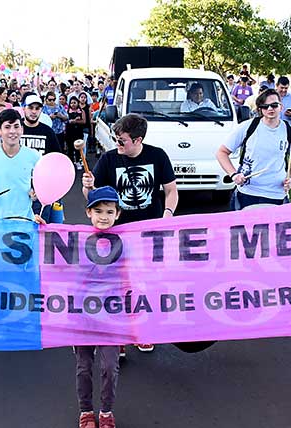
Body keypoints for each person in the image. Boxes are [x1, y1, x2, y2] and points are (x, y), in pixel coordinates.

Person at [82, 113, 178, 354]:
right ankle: (118, 337)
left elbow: (171, 190)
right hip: (117, 233)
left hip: (149, 233)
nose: (117, 143)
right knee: (118, 285)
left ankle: (142, 332)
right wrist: (86, 187)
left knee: (145, 286)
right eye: (116, 138)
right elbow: (93, 198)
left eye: (122, 140)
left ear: (138, 139)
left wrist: (167, 214)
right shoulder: (108, 159)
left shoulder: (157, 156)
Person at [73, 185, 125, 428]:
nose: (103, 216)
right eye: (98, 211)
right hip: (83, 315)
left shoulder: (127, 241)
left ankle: (105, 411)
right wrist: (42, 228)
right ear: (88, 213)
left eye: (109, 211)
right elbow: (54, 260)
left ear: (118, 214)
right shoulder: (76, 239)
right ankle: (86, 411)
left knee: (109, 367)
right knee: (84, 367)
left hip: (112, 316)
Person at [216, 89, 291, 210]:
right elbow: (222, 152)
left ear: (281, 106)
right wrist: (234, 174)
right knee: (242, 229)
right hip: (247, 193)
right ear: (260, 109)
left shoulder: (289, 131)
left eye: (274, 105)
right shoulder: (247, 127)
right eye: (265, 106)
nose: (270, 109)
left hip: (276, 195)